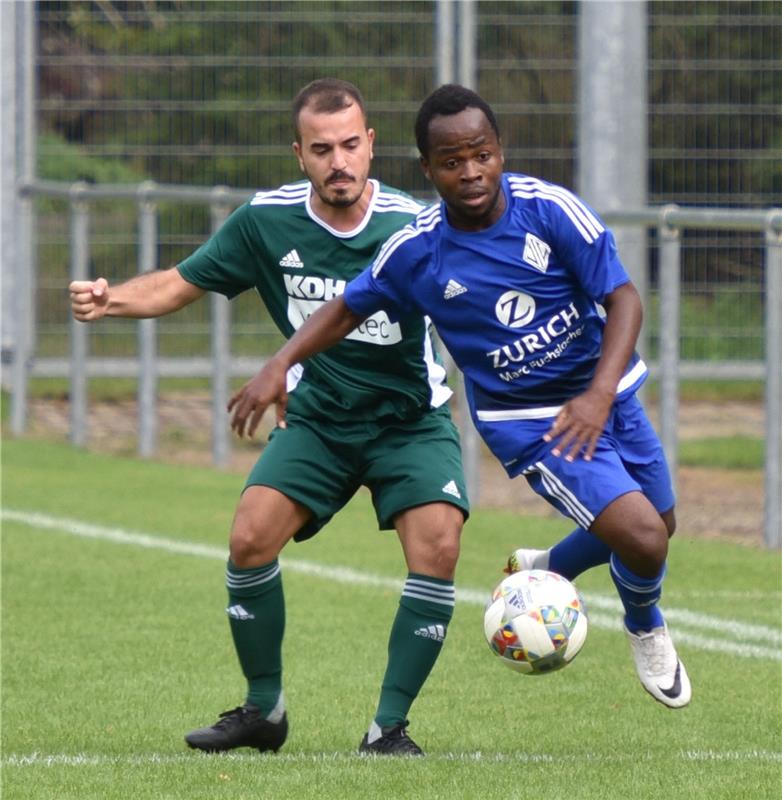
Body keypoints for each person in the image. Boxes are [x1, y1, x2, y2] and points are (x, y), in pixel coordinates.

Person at [229, 83, 692, 711]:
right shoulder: (418, 248)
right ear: (427, 169)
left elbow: (625, 298)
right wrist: (281, 362)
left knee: (660, 525)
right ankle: (646, 626)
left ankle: (551, 561)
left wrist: (600, 392)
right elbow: (344, 309)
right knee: (643, 538)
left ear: (500, 150)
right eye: (452, 162)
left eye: (482, 155)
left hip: (605, 393)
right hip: (530, 420)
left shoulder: (551, 210)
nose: (470, 172)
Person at [69, 78, 470, 757]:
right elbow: (177, 283)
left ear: (372, 145)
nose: (338, 162)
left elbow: (475, 308)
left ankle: (388, 730)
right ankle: (264, 708)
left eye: (350, 145)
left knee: (438, 550)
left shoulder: (416, 226)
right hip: (318, 419)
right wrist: (111, 300)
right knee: (250, 538)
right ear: (299, 153)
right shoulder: (266, 221)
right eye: (321, 149)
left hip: (410, 421)